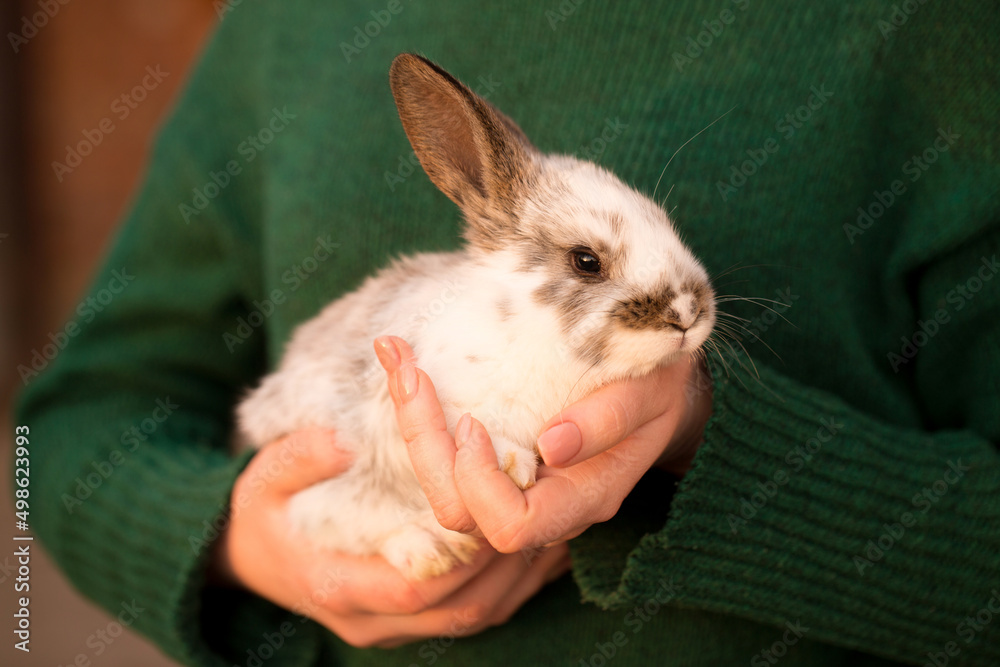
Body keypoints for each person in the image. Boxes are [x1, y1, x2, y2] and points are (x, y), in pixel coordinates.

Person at [17, 1, 999, 666]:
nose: (696, 306)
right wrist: (248, 544)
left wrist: (704, 439)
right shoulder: (285, 26)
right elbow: (59, 431)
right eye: (585, 263)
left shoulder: (930, 34)